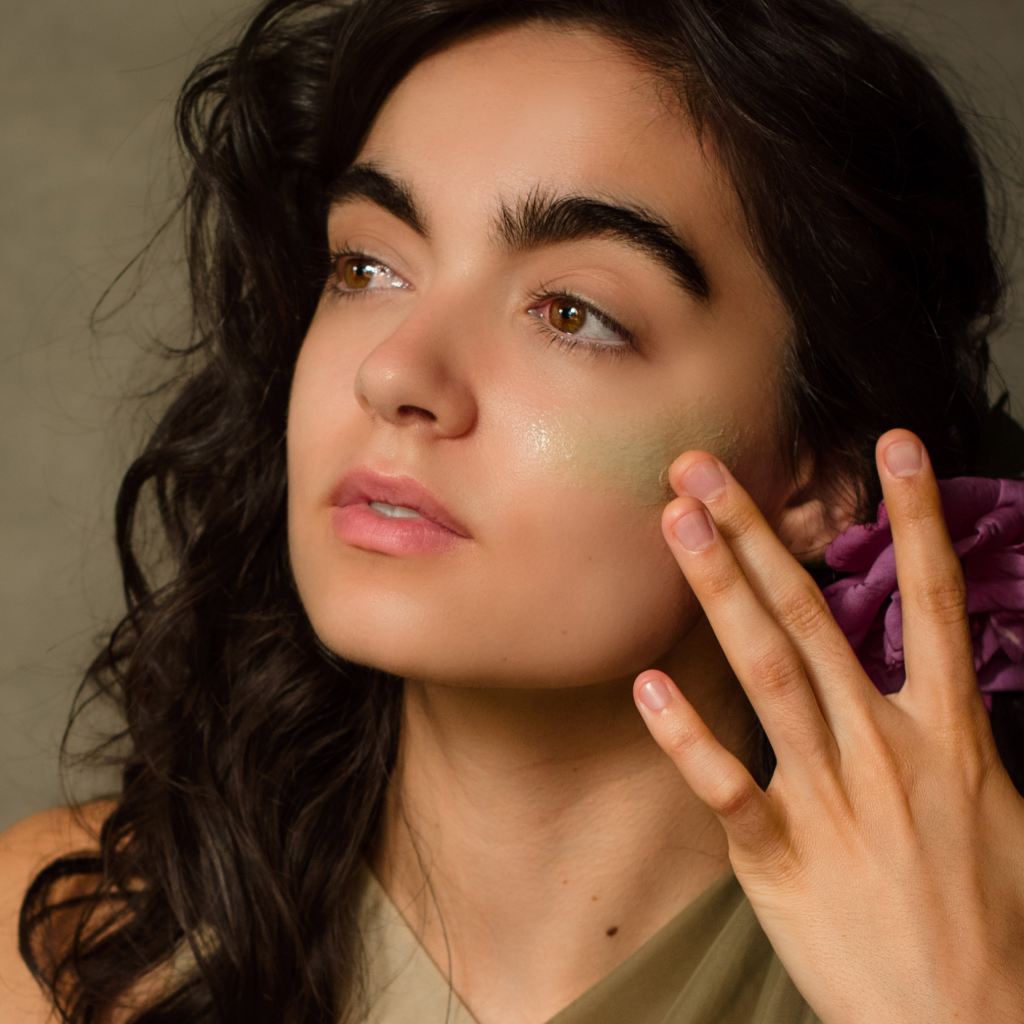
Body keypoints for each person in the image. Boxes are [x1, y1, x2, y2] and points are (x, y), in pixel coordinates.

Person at [2, 0, 1023, 1021]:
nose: (394, 370)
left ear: (814, 473)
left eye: (571, 313)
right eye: (367, 267)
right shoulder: (64, 945)